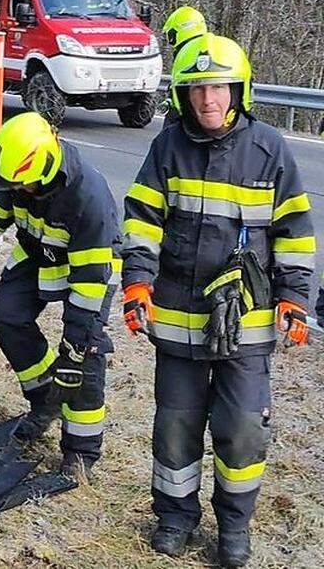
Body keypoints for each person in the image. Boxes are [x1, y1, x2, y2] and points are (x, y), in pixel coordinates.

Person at [120, 34, 314, 567]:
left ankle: (234, 528)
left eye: (220, 87)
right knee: (176, 426)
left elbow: (295, 233)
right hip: (179, 323)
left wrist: (295, 298)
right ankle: (175, 518)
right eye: (199, 88)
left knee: (243, 429)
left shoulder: (270, 150)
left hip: (247, 327)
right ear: (184, 95)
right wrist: (137, 282)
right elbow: (141, 222)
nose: (210, 99)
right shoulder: (167, 147)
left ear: (239, 89)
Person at [0, 112, 119, 478]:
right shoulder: (14, 177)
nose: (13, 193)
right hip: (38, 252)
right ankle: (44, 403)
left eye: (19, 187)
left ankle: (81, 450)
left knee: (85, 354)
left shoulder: (89, 199)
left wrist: (73, 348)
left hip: (88, 268)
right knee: (6, 315)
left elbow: (88, 287)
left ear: (42, 173)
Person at [160, 6, 210, 126]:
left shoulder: (187, 53)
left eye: (171, 35)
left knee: (168, 140)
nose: (170, 41)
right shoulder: (210, 47)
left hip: (186, 112)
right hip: (203, 113)